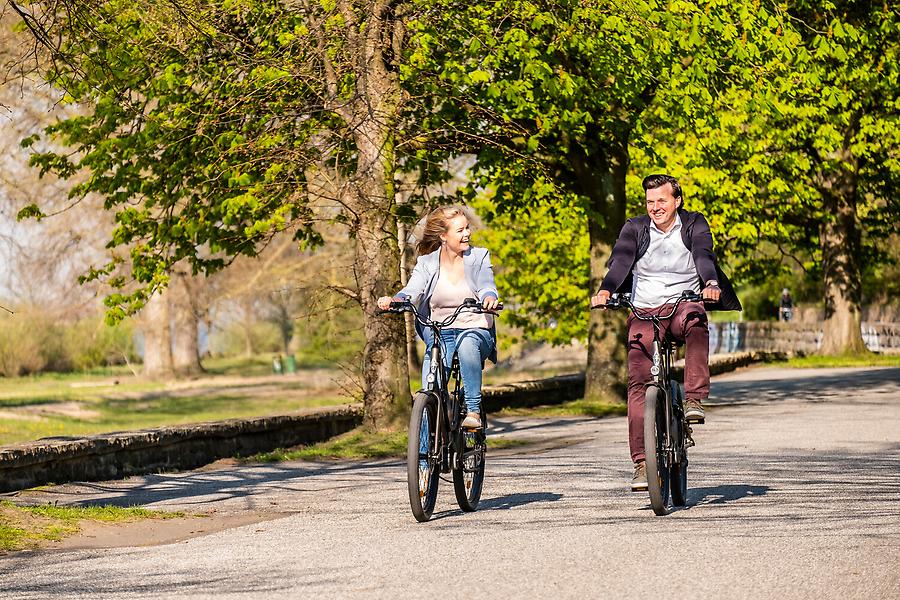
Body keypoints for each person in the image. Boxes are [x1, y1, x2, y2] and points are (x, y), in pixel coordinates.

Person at [590, 174, 741, 491]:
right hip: (644, 310)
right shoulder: (635, 228)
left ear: (677, 201)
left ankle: (694, 399)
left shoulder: (693, 224)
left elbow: (703, 255)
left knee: (696, 322)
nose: (655, 207)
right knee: (638, 383)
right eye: (650, 202)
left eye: (661, 200)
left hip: (682, 303)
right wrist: (606, 291)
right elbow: (619, 262)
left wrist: (710, 285)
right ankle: (642, 462)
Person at [377, 206, 500, 429]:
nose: (467, 234)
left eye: (467, 228)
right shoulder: (427, 263)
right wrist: (397, 300)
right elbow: (414, 289)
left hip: (475, 328)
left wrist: (489, 297)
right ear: (443, 236)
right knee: (428, 391)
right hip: (439, 333)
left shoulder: (479, 257)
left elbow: (486, 284)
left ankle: (473, 411)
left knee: (467, 345)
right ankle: (424, 459)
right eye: (460, 230)